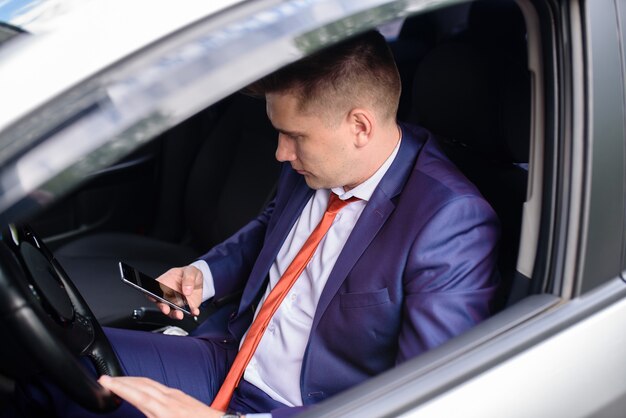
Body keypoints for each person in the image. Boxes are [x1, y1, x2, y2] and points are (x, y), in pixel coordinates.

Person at [14, 30, 499, 418]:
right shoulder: (318, 165)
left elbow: (424, 399)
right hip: (228, 360)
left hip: (305, 407)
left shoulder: (449, 222)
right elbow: (271, 230)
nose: (280, 154)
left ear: (360, 127)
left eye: (294, 136)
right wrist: (203, 276)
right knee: (55, 366)